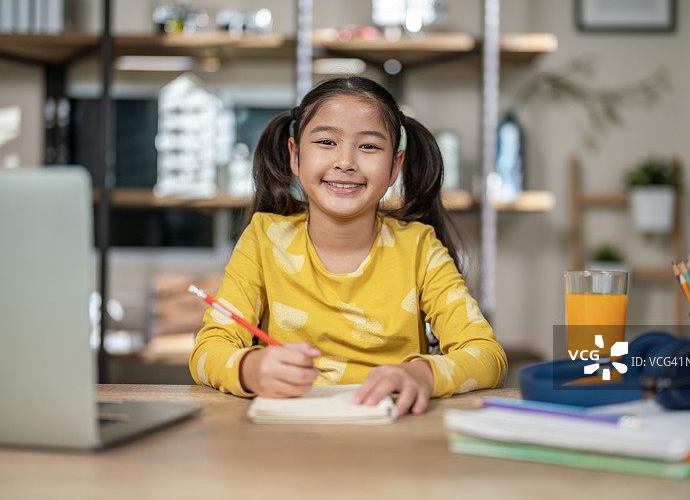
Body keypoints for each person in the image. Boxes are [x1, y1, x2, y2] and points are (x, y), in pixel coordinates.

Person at [189, 76, 507, 416]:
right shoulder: (264, 239)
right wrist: (251, 370)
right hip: (286, 439)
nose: (346, 162)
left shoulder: (419, 248)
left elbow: (488, 356)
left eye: (369, 146)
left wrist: (421, 374)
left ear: (394, 167)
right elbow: (208, 350)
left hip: (390, 437)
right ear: (295, 156)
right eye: (326, 141)